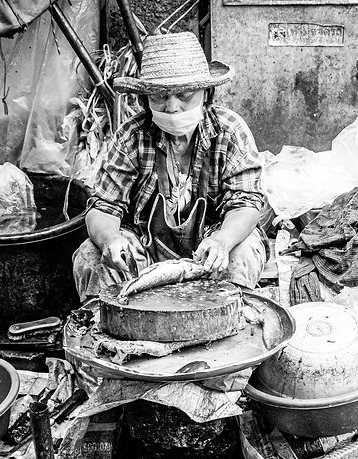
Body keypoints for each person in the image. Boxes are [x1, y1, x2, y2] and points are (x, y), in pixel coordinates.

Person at [73, 32, 269, 301]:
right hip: (146, 249)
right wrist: (109, 239)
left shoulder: (230, 131)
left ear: (206, 92)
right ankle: (111, 334)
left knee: (242, 252)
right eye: (160, 97)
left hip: (211, 246)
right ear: (145, 99)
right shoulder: (132, 135)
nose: (172, 107)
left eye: (185, 94)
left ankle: (228, 333)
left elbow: (246, 203)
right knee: (90, 255)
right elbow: (104, 206)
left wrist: (222, 241)